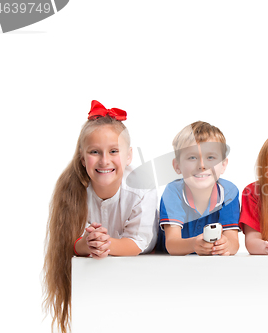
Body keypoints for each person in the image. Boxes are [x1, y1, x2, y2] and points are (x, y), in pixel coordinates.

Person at [43, 101, 158, 333]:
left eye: (114, 151)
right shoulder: (71, 190)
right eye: (95, 152)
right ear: (83, 158)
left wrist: (107, 244)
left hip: (141, 274)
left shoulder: (141, 187)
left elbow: (139, 242)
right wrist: (87, 244)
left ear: (128, 156)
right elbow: (69, 240)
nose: (104, 160)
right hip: (94, 278)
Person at [157, 121, 240, 255]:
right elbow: (172, 244)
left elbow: (233, 243)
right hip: (170, 264)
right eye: (192, 157)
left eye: (211, 157)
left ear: (223, 165)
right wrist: (194, 245)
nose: (202, 165)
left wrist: (226, 246)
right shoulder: (173, 192)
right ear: (177, 165)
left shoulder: (229, 192)